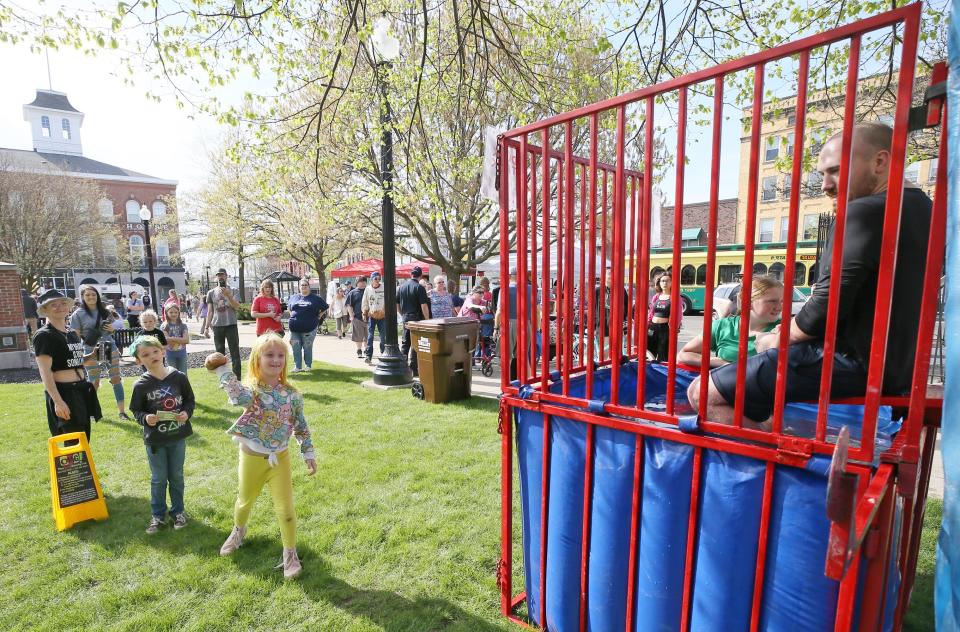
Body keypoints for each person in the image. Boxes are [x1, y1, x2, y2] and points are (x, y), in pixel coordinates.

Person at [690, 122, 933, 430]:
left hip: (850, 362)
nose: (825, 185)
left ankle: (783, 472)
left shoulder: (863, 212)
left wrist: (776, 339)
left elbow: (826, 305)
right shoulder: (925, 209)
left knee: (703, 392)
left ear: (880, 161)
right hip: (898, 371)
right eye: (822, 175)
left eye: (835, 171)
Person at [206, 334, 317, 579]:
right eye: (269, 355)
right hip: (252, 459)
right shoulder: (252, 392)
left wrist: (307, 451)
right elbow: (236, 396)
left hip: (281, 458)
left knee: (286, 509)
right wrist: (223, 369)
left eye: (280, 356)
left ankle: (290, 553)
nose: (276, 360)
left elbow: (300, 425)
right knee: (245, 501)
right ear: (257, 359)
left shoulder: (292, 394)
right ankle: (238, 531)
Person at [129, 335, 195, 534]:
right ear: (139, 361)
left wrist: (186, 413)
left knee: (176, 476)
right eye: (145, 355)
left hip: (177, 437)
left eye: (155, 351)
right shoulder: (140, 385)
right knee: (158, 478)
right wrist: (145, 418)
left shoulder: (179, 377)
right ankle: (158, 516)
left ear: (163, 352)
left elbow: (189, 401)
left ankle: (178, 513)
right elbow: (136, 410)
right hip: (155, 441)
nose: (152, 356)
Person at [33, 289, 100, 443]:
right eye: (53, 305)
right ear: (45, 310)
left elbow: (73, 361)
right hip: (64, 393)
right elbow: (45, 371)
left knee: (83, 440)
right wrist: (58, 401)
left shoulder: (71, 332)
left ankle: (83, 468)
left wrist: (92, 355)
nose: (60, 307)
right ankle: (77, 468)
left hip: (81, 389)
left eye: (63, 303)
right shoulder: (44, 335)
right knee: (72, 443)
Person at [678, 275, 783, 368]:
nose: (779, 307)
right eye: (772, 301)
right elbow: (683, 354)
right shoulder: (722, 326)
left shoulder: (785, 329)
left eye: (782, 301)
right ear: (748, 301)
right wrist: (723, 364)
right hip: (722, 388)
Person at [69, 284, 129, 420]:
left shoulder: (105, 311)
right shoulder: (77, 314)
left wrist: (112, 328)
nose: (91, 297)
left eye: (93, 294)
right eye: (87, 295)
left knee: (115, 378)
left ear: (97, 296)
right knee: (94, 381)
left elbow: (115, 327)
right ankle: (91, 411)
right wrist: (77, 353)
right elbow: (75, 336)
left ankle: (122, 412)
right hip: (91, 348)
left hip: (107, 346)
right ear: (82, 297)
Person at [495, 267, 540, 382]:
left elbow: (499, 311)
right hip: (526, 324)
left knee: (507, 358)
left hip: (510, 323)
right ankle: (528, 385)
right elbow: (537, 310)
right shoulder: (531, 289)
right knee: (524, 357)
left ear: (510, 275)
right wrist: (537, 329)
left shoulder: (504, 289)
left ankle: (507, 387)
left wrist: (495, 328)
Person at [204, 268, 242, 379]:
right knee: (219, 355)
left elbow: (237, 306)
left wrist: (228, 295)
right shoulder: (211, 292)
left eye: (222, 275)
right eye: (218, 275)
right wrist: (206, 327)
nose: (220, 277)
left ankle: (237, 379)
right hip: (217, 326)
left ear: (226, 276)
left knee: (235, 353)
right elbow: (210, 311)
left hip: (231, 325)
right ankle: (224, 379)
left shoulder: (234, 290)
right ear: (216, 277)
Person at [287, 279, 328, 372]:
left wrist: (318, 317)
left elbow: (325, 307)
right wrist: (292, 317)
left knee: (307, 347)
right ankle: (297, 367)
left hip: (309, 328)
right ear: (299, 287)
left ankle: (308, 365)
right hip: (294, 328)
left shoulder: (315, 298)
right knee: (295, 347)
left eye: (306, 285)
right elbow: (290, 309)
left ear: (309, 286)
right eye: (302, 285)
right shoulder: (294, 297)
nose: (304, 286)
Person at [397, 266, 431, 376]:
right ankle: (413, 368)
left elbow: (397, 304)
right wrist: (427, 320)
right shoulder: (419, 287)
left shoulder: (401, 287)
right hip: (417, 318)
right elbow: (424, 306)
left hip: (406, 317)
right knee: (416, 344)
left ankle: (402, 367)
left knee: (405, 343)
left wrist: (402, 314)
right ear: (420, 275)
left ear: (410, 274)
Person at [646, 273, 676, 362]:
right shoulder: (656, 296)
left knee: (663, 355)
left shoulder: (674, 297)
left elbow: (677, 315)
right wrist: (648, 325)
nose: (665, 283)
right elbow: (651, 312)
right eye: (663, 281)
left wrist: (674, 328)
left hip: (665, 329)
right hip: (652, 327)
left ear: (671, 283)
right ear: (659, 283)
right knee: (649, 353)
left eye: (667, 281)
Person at [362, 272, 386, 363]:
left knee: (383, 336)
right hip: (372, 315)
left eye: (379, 278)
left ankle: (384, 355)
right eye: (376, 278)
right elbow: (365, 302)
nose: (378, 280)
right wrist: (364, 313)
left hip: (382, 316)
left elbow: (388, 300)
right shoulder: (368, 289)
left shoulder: (384, 287)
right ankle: (368, 356)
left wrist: (384, 310)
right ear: (371, 279)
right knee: (370, 336)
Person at [161, 304, 190, 374]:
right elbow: (167, 341)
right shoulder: (164, 326)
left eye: (176, 312)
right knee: (172, 374)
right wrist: (180, 339)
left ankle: (183, 385)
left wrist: (172, 338)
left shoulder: (183, 325)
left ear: (178, 313)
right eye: (171, 312)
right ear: (166, 313)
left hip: (182, 354)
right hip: (170, 354)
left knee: (183, 374)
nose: (173, 314)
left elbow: (186, 340)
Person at [346, 277, 368, 359]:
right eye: (360, 281)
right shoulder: (353, 293)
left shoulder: (369, 291)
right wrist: (351, 316)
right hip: (357, 318)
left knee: (367, 336)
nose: (362, 283)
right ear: (357, 282)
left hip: (369, 317)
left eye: (364, 281)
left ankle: (366, 350)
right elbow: (349, 305)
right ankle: (359, 350)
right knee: (358, 336)